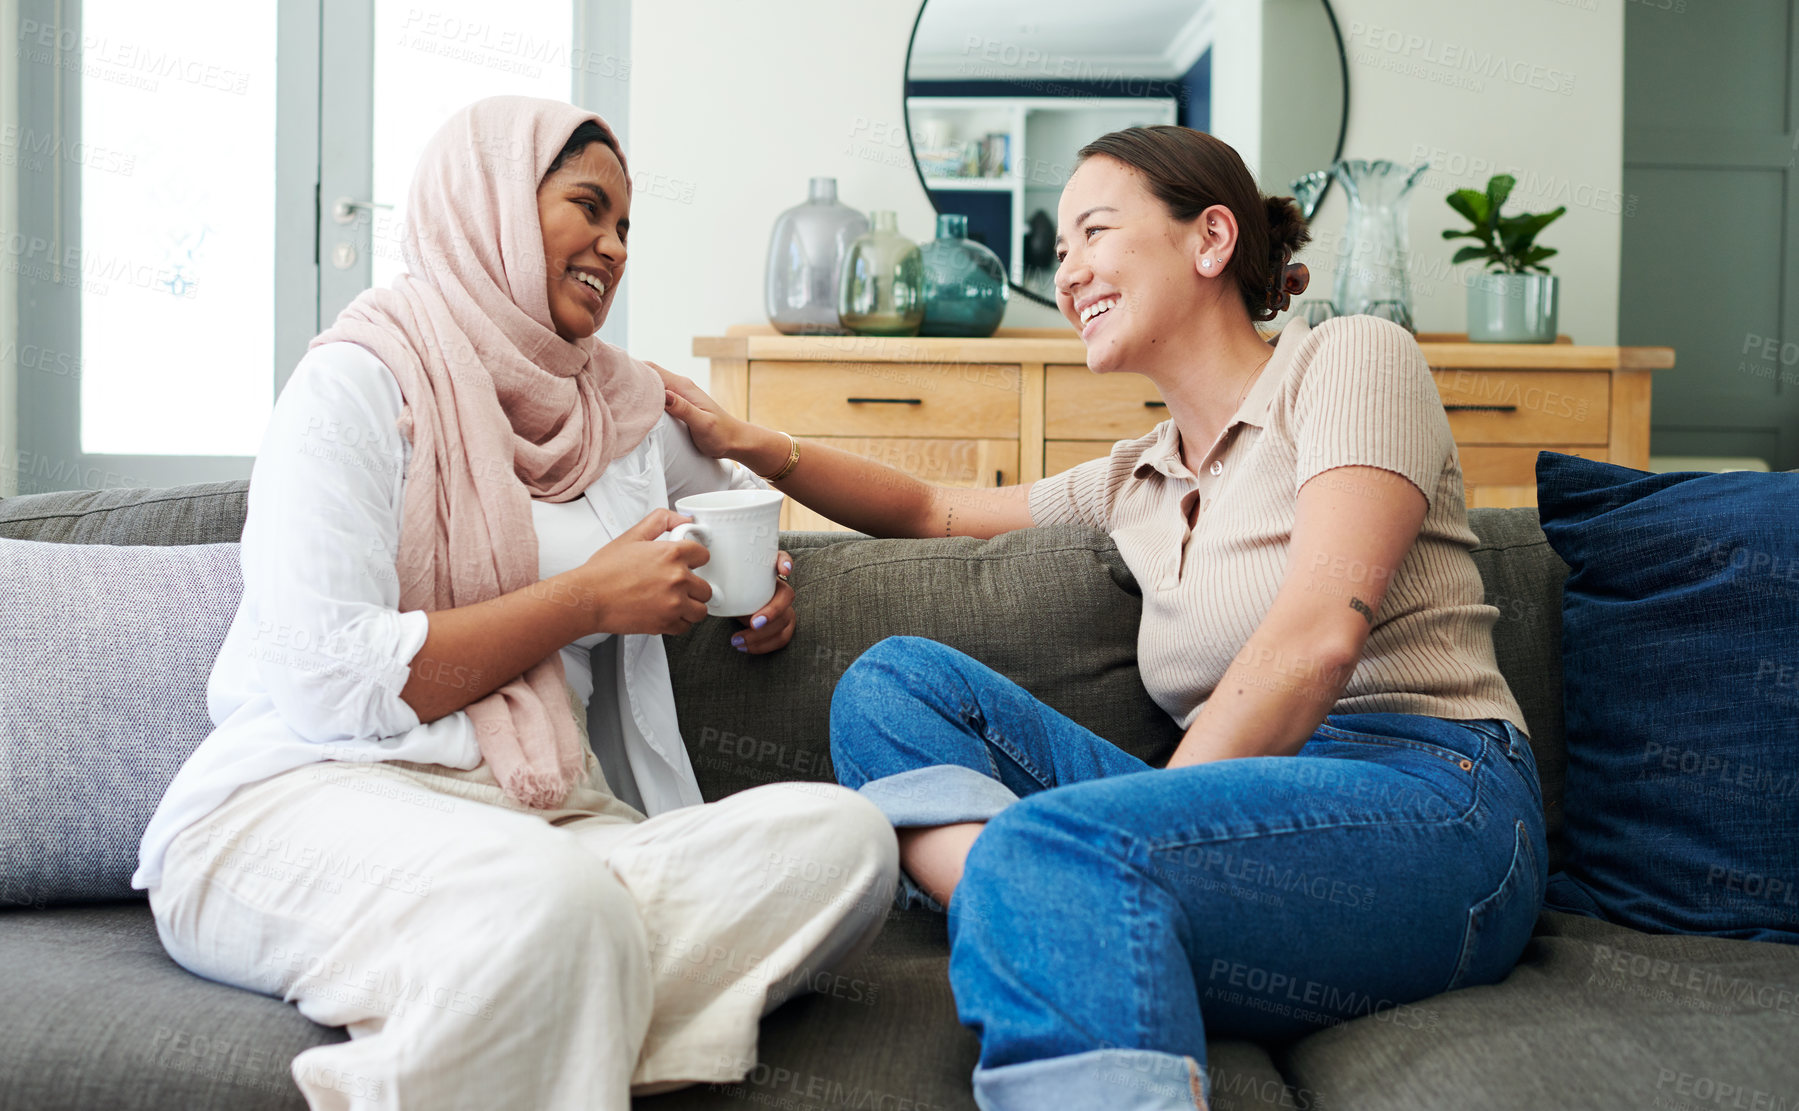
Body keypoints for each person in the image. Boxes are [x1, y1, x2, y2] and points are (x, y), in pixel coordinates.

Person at [658, 125, 1547, 1111]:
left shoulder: (1346, 361)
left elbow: (1314, 638)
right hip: (1229, 817)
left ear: (1208, 240)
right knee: (889, 681)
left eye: (1092, 231)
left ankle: (1046, 884)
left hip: (1429, 797)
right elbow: (929, 512)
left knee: (1058, 843)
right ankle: (1057, 898)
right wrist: (755, 446)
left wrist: (1127, 823)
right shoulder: (1136, 477)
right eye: (1060, 250)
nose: (1067, 270)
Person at [132, 96, 898, 1111]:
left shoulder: (622, 407)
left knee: (845, 842)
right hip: (309, 795)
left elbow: (728, 519)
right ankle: (546, 970)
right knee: (558, 903)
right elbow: (326, 679)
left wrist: (761, 597)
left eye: (626, 226)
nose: (613, 247)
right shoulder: (354, 384)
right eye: (588, 207)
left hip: (542, 817)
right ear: (488, 205)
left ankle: (521, 999)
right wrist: (585, 598)